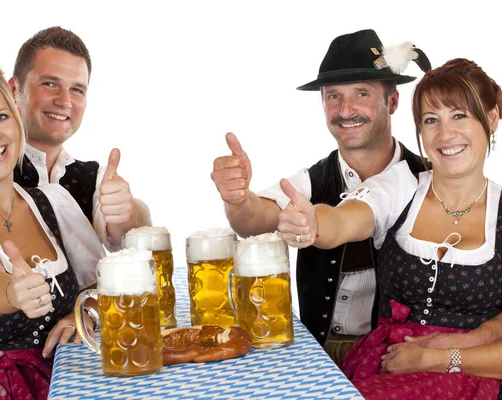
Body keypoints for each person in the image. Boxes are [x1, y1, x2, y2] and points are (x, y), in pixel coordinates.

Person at [0, 27, 151, 399]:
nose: (63, 99)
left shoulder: (60, 192)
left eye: (77, 88)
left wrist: (129, 211)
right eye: (50, 83)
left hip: (62, 380)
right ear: (16, 89)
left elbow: (121, 255)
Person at [279, 57, 502, 398]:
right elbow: (343, 220)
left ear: (490, 118)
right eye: (431, 119)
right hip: (384, 363)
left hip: (471, 376)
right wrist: (314, 223)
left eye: (459, 115)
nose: (445, 134)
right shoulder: (403, 184)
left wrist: (441, 358)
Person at [211, 29, 429, 362]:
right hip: (320, 356)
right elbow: (254, 221)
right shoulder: (311, 181)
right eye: (333, 97)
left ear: (393, 101)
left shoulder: (427, 178)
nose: (346, 110)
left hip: (401, 356)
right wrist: (239, 200)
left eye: (361, 94)